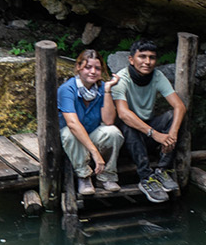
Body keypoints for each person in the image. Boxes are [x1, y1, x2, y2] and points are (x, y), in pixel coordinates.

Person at [111, 39, 186, 204]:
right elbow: (123, 114)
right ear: (131, 59)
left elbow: (179, 106)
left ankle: (162, 170)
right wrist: (156, 134)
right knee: (127, 125)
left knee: (174, 116)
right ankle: (146, 178)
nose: (147, 62)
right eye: (142, 57)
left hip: (147, 136)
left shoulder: (157, 76)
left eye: (151, 57)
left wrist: (171, 134)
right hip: (127, 142)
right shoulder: (121, 79)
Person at [57, 48, 124, 196]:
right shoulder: (67, 89)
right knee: (69, 132)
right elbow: (73, 124)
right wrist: (95, 153)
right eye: (88, 67)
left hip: (91, 136)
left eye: (97, 68)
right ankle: (84, 176)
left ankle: (106, 176)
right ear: (78, 68)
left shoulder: (100, 89)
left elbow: (108, 121)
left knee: (113, 132)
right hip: (72, 141)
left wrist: (107, 89)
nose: (93, 72)